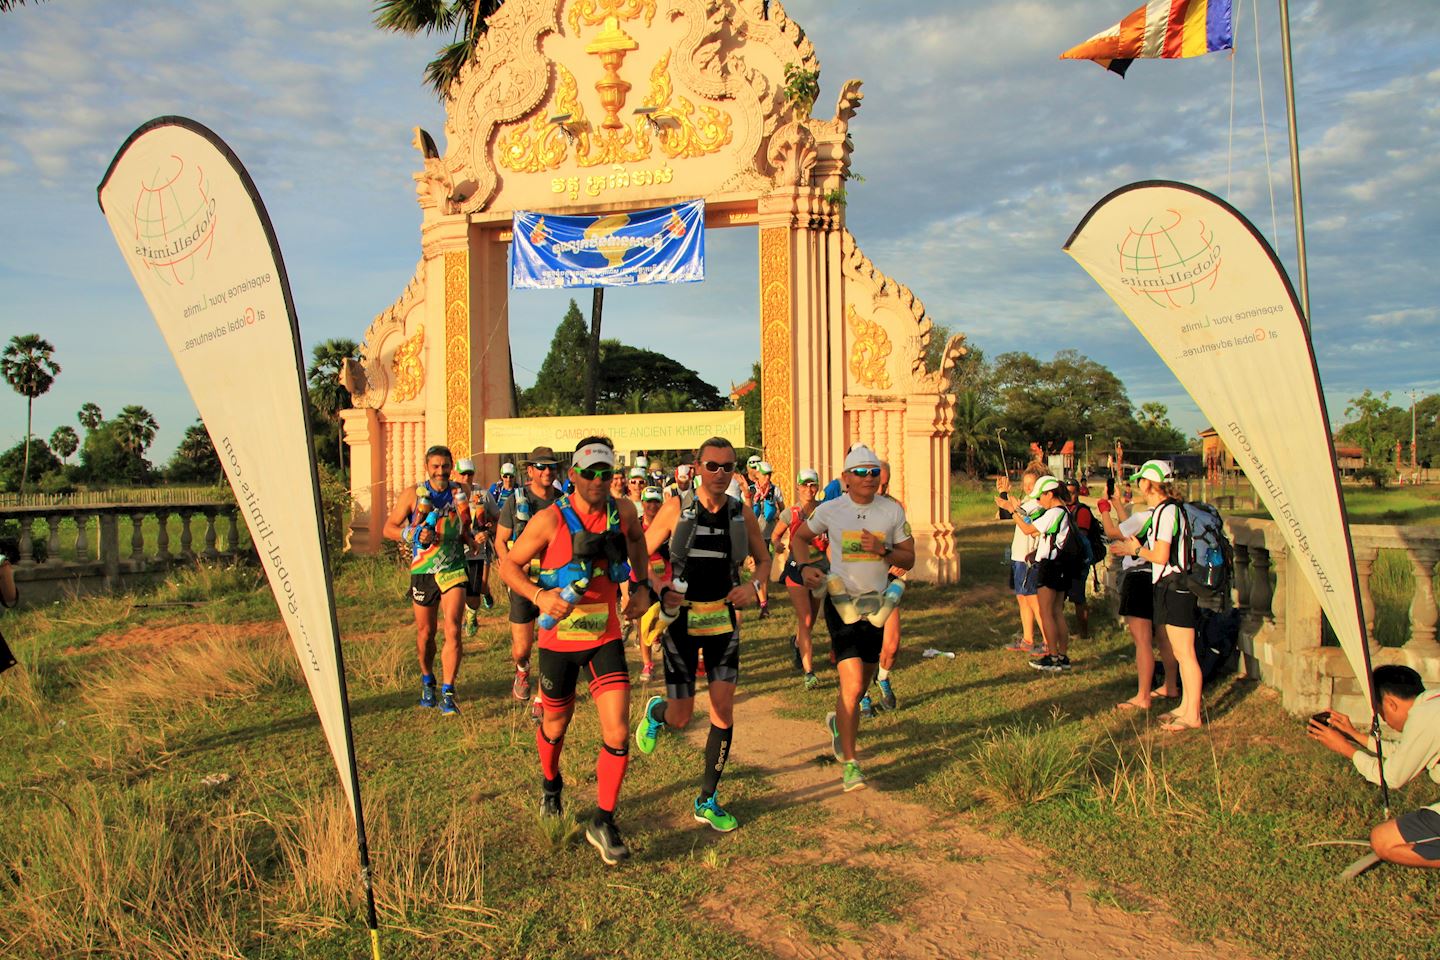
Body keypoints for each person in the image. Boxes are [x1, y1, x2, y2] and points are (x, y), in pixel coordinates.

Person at [497, 436, 653, 865]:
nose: (599, 481)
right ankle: (551, 785)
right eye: (590, 474)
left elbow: (638, 542)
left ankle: (603, 820)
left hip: (602, 636)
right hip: (558, 640)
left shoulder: (622, 511)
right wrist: (538, 597)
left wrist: (641, 586)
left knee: (618, 730)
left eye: (606, 473)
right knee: (555, 722)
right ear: (574, 476)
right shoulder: (551, 520)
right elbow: (507, 565)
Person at [634, 436, 771, 832]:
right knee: (681, 718)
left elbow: (763, 560)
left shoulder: (740, 514)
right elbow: (640, 553)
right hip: (682, 621)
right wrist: (660, 589)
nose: (720, 474)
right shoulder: (678, 508)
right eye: (712, 466)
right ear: (697, 468)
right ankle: (658, 712)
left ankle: (707, 799)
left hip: (723, 621)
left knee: (723, 709)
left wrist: (754, 587)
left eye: (728, 467)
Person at [791, 444, 915, 792]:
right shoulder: (831, 510)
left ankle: (839, 726)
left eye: (873, 471)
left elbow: (910, 558)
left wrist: (884, 551)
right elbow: (800, 539)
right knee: (852, 685)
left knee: (862, 683)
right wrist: (805, 568)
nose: (868, 478)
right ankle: (851, 763)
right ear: (845, 478)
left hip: (876, 604)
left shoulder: (891, 511)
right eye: (860, 472)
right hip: (841, 602)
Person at [1310, 666, 1440, 869]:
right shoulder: (1433, 704)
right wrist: (1354, 735)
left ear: (1390, 703)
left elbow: (1391, 778)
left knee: (1383, 840)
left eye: (1382, 713)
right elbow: (1406, 752)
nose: (1384, 720)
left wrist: (1346, 750)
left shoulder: (1424, 717)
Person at [382, 445, 476, 716]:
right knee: (426, 633)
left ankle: (448, 691)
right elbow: (389, 527)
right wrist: (411, 535)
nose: (441, 472)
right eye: (436, 466)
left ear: (451, 466)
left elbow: (469, 526)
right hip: (423, 569)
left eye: (445, 466)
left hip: (453, 566)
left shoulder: (462, 492)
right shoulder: (413, 494)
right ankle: (427, 680)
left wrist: (473, 536)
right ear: (427, 467)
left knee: (454, 629)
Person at [1111, 460, 1202, 731]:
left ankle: (1193, 714)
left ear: (1149, 484)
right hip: (1171, 585)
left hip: (1176, 585)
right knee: (1179, 650)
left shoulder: (1166, 512)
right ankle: (1186, 707)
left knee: (1185, 653)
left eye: (1140, 479)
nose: (1137, 484)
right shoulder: (1170, 509)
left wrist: (1135, 551)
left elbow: (1161, 555)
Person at [494, 445, 563, 720]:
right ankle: (522, 670)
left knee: (548, 644)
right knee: (522, 648)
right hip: (523, 584)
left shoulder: (564, 500)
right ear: (530, 470)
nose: (547, 471)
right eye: (541, 466)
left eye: (551, 466)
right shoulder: (516, 500)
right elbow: (500, 541)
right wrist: (510, 568)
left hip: (554, 583)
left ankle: (541, 697)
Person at [1100, 495, 1159, 711]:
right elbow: (1130, 528)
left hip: (1138, 577)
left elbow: (1113, 532)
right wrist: (1117, 505)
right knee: (1162, 636)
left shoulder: (1146, 515)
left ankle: (1143, 696)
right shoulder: (1165, 515)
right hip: (1157, 576)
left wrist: (1104, 509)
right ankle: (1170, 684)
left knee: (1142, 640)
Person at [1007, 476, 1072, 672]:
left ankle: (1052, 657)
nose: (1039, 501)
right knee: (1057, 612)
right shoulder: (1063, 512)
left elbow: (1027, 529)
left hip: (1050, 567)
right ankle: (1062, 656)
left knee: (1046, 613)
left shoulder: (1054, 513)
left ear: (1050, 494)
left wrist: (1012, 512)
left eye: (1040, 496)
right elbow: (1040, 533)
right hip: (1061, 566)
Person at [772, 468, 827, 689]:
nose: (808, 489)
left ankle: (797, 643)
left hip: (820, 569)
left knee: (811, 619)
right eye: (804, 485)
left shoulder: (825, 511)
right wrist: (777, 545)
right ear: (797, 487)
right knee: (805, 619)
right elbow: (776, 535)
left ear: (818, 487)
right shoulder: (791, 513)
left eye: (812, 485)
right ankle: (809, 673)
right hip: (796, 568)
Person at [865, 460, 905, 714]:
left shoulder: (895, 508)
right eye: (878, 483)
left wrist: (902, 562)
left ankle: (882, 677)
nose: (881, 489)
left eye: (886, 483)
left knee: (892, 644)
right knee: (863, 644)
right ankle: (863, 695)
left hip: (888, 582)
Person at [995, 465, 1047, 654]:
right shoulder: (1026, 501)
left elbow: (1016, 516)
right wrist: (1005, 495)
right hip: (1018, 557)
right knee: (1022, 599)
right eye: (1025, 484)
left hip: (1028, 559)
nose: (1027, 487)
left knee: (1034, 601)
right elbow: (1005, 513)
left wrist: (1010, 502)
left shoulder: (1039, 505)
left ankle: (1048, 641)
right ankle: (1028, 639)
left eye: (1031, 484)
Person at [636, 485, 668, 683]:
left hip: (666, 579)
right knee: (643, 621)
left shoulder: (669, 526)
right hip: (641, 579)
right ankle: (647, 664)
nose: (653, 505)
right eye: (649, 501)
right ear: (643, 503)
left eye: (656, 501)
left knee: (670, 620)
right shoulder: (637, 526)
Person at [1063, 478, 1097, 641]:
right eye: (1067, 492)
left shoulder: (1082, 511)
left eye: (1073, 492)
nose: (1070, 495)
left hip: (1077, 561)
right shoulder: (1061, 509)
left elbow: (1081, 536)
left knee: (1078, 598)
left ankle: (1084, 633)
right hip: (1063, 559)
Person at [751, 461, 785, 543]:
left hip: (771, 535)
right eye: (764, 474)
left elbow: (783, 511)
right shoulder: (750, 490)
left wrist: (776, 515)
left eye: (769, 474)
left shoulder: (775, 490)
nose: (767, 477)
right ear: (757, 474)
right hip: (754, 536)